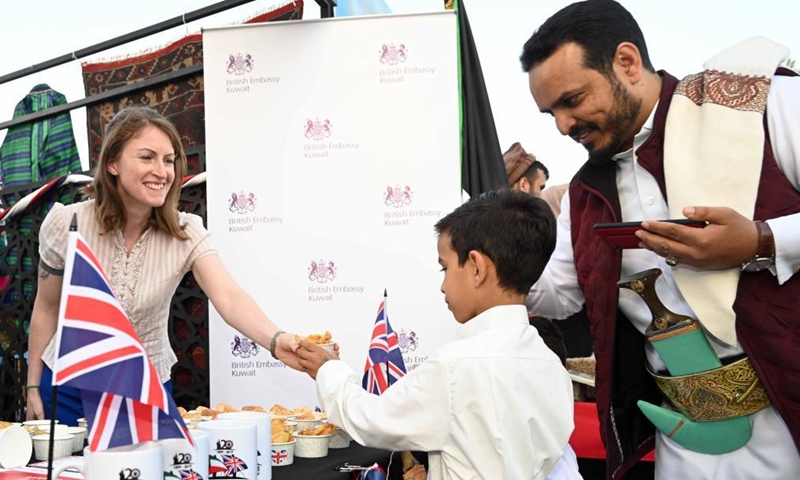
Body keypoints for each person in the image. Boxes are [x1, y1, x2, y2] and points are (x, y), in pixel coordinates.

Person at [521, 1, 800, 479]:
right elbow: (560, 294)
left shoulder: (759, 104)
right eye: (552, 113)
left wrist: (763, 240)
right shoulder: (585, 194)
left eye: (572, 100)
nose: (563, 125)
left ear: (627, 62)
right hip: (684, 441)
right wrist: (488, 264)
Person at [26, 105, 301, 425]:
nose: (162, 171)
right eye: (147, 157)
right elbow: (46, 308)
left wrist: (276, 341)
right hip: (69, 389)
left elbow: (228, 296)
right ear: (112, 163)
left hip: (145, 391)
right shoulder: (66, 223)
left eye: (169, 160)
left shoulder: (186, 232)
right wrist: (32, 386)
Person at [297, 190, 580, 479]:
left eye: (444, 268)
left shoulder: (456, 366)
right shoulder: (553, 368)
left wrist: (328, 370)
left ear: (476, 267)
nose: (443, 286)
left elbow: (370, 419)